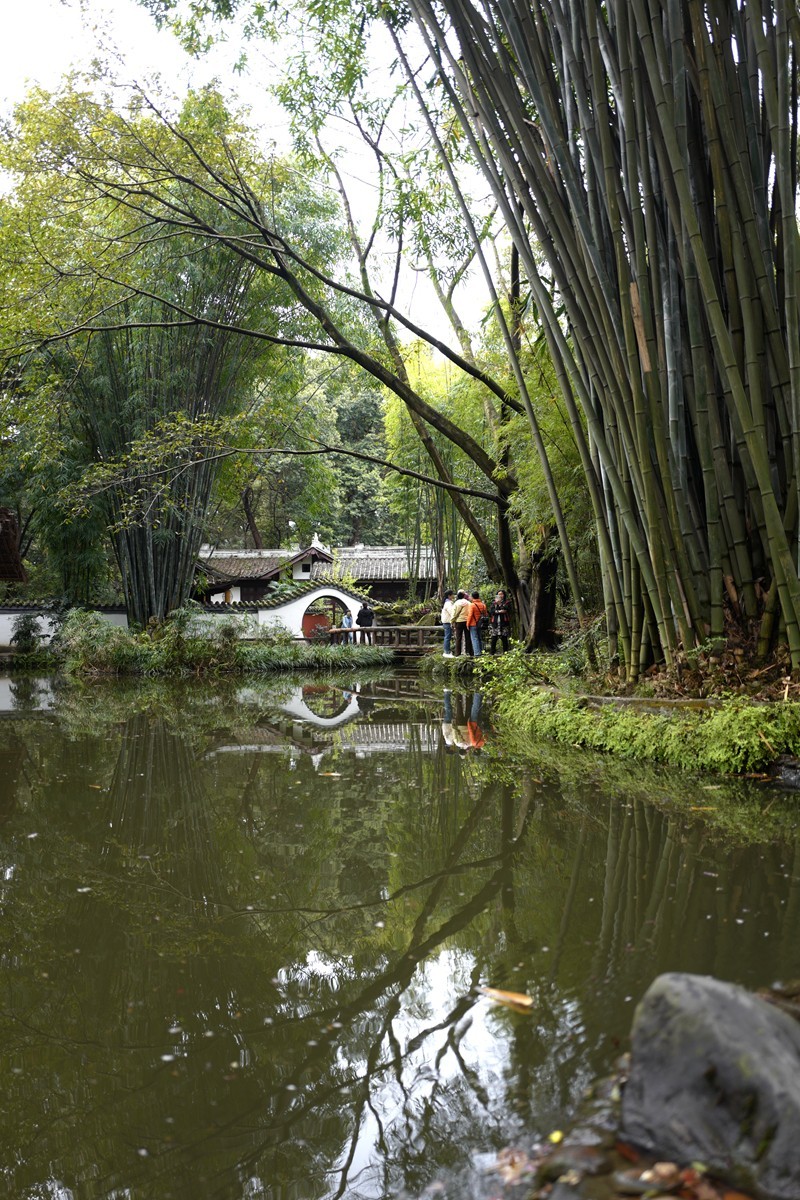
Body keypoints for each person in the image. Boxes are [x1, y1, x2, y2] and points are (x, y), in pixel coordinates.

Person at [465, 590, 489, 656]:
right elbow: (486, 614)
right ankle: (482, 651)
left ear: (473, 597)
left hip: (473, 624)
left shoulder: (472, 605)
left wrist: (467, 624)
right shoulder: (483, 605)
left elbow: (470, 615)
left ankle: (477, 653)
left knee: (474, 638)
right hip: (480, 623)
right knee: (479, 637)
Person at [489, 590, 512, 654]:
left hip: (504, 623)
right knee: (494, 638)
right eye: (499, 594)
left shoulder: (507, 602)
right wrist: (499, 611)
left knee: (504, 638)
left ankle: (505, 653)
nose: (500, 596)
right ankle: (492, 653)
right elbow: (492, 611)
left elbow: (507, 609)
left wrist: (499, 604)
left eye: (501, 594)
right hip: (495, 623)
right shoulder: (493, 603)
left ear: (504, 595)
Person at [451, 590, 473, 657]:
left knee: (458, 638)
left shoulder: (456, 603)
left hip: (459, 621)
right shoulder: (468, 603)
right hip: (467, 621)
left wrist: (452, 621)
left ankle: (458, 653)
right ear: (464, 596)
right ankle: (469, 652)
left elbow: (454, 613)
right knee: (468, 637)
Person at [440, 589, 456, 657]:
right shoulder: (448, 603)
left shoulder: (448, 602)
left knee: (447, 636)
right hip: (447, 622)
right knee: (447, 637)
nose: (453, 596)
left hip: (446, 622)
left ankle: (447, 651)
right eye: (452, 594)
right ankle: (447, 652)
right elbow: (452, 612)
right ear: (449, 595)